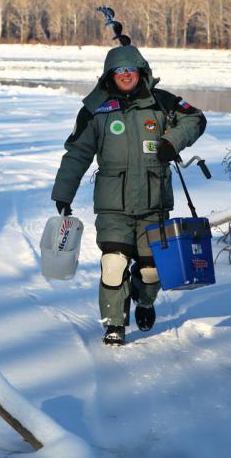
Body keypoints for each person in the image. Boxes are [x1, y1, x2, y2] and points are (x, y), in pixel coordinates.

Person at [51, 44, 206, 346]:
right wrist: (64, 193)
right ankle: (114, 323)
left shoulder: (161, 103)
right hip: (113, 206)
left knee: (150, 271)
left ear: (140, 72)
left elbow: (196, 119)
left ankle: (144, 301)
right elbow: (77, 154)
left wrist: (172, 141)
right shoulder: (96, 110)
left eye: (130, 70)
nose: (125, 75)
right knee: (113, 264)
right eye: (119, 71)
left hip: (154, 203)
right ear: (110, 74)